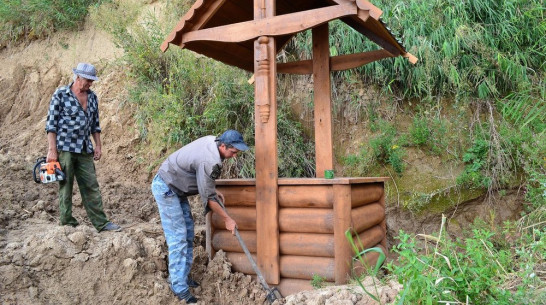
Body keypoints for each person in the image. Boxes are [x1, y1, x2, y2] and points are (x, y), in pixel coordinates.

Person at [151, 129, 249, 303]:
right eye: (233, 152)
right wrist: (227, 219)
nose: (235, 156)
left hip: (176, 188)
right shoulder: (209, 160)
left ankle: (181, 277)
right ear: (223, 145)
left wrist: (211, 189)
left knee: (188, 232)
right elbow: (209, 199)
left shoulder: (214, 143)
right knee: (178, 237)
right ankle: (178, 287)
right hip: (167, 187)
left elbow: (204, 181)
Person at [45, 62, 121, 232]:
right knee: (66, 185)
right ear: (77, 77)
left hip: (85, 148)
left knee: (91, 185)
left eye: (91, 81)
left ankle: (101, 223)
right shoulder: (61, 94)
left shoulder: (93, 97)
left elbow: (95, 124)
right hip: (64, 148)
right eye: (87, 80)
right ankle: (66, 222)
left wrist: (98, 146)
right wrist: (52, 150)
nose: (90, 84)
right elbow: (51, 124)